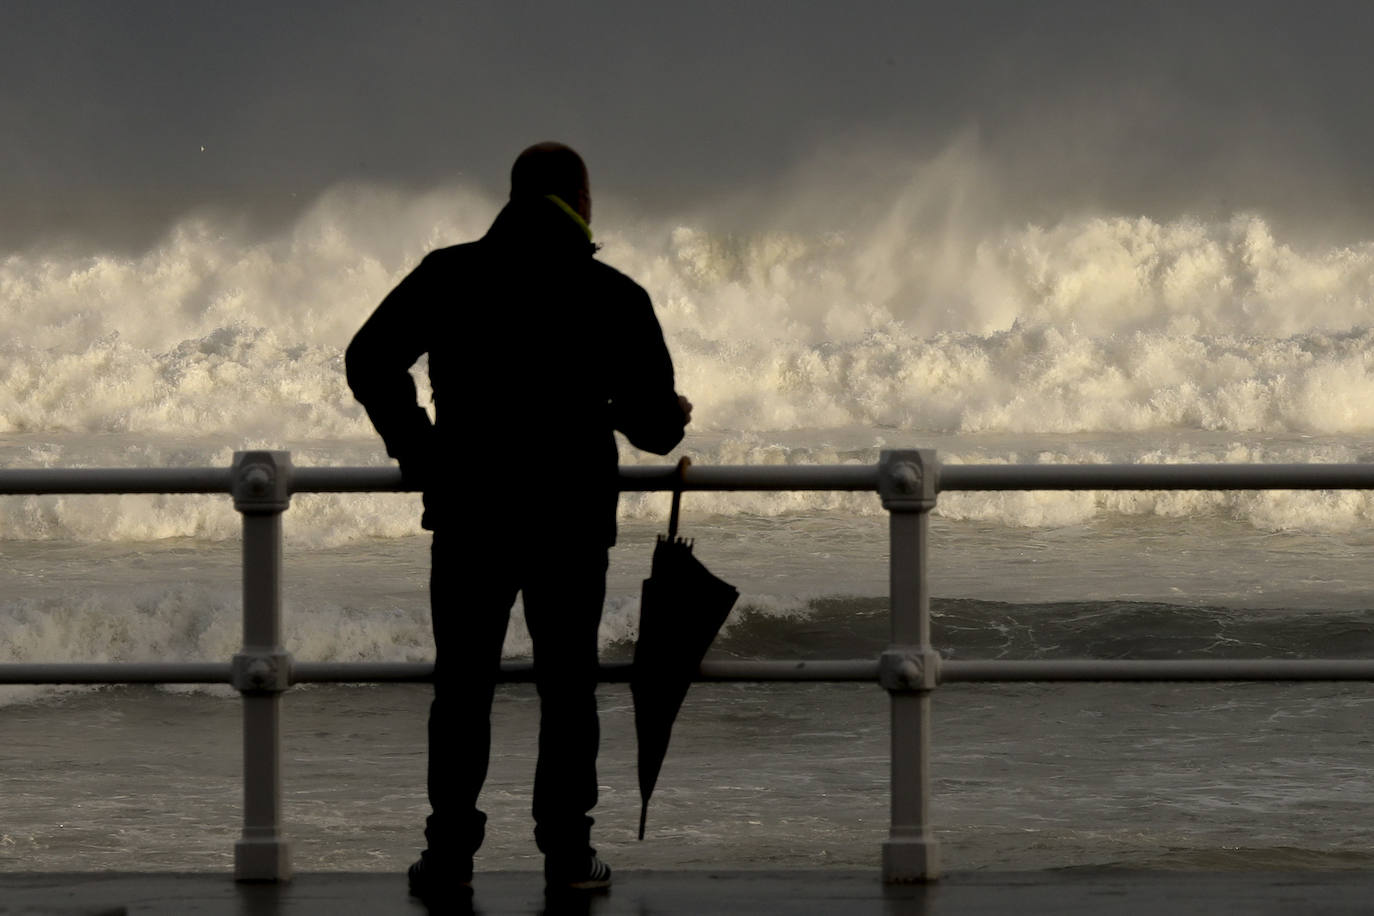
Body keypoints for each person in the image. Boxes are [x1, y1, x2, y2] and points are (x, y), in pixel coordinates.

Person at [345, 142, 691, 899]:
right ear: (581, 199)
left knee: (462, 688)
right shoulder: (612, 294)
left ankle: (447, 856)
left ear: (512, 196)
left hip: (471, 510)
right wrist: (666, 412)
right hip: (570, 518)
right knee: (568, 689)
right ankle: (567, 853)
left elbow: (369, 359)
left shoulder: (449, 274)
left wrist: (422, 452)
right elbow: (655, 429)